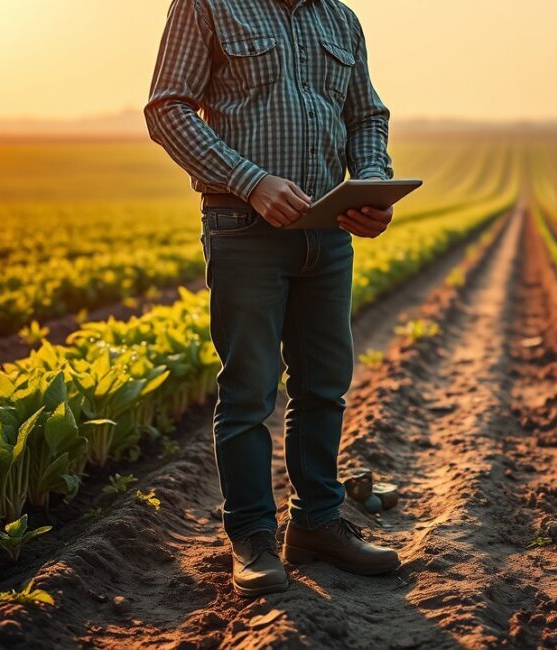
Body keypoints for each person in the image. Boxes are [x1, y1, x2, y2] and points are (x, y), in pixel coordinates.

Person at [145, 0, 400, 597]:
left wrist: (369, 180)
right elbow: (167, 109)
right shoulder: (207, 6)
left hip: (329, 234)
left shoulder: (339, 18)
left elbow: (367, 114)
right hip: (242, 228)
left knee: (323, 384)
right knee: (248, 391)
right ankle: (252, 535)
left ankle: (316, 523)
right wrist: (251, 181)